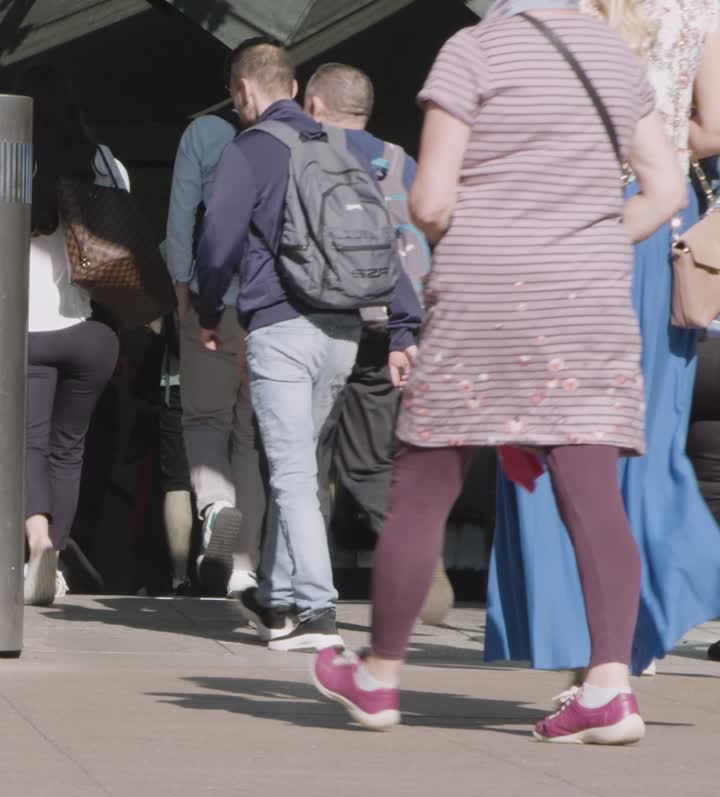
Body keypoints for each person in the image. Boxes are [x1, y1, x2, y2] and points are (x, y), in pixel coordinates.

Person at [313, 0, 685, 742]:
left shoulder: (474, 51)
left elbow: (430, 199)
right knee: (593, 489)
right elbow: (667, 191)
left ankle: (380, 676)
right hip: (588, 303)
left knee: (425, 482)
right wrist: (596, 242)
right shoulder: (618, 61)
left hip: (488, 292)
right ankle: (611, 687)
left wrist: (487, 228)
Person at [487, 0, 720, 679]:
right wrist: (666, 134)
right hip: (662, 220)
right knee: (642, 439)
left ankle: (591, 648)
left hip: (568, 211)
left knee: (553, 434)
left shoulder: (536, 10)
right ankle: (630, 634)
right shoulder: (700, 7)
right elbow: (715, 125)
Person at [196, 38, 421, 652]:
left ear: (245, 93)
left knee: (293, 470)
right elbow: (384, 241)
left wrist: (207, 311)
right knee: (293, 466)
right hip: (344, 332)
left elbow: (218, 242)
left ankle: (319, 613)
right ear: (293, 89)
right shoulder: (339, 148)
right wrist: (403, 326)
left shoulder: (252, 149)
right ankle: (277, 600)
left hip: (282, 328)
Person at [305, 63, 453, 626]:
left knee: (308, 462)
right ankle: (419, 558)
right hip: (396, 329)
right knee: (370, 464)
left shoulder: (310, 154)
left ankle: (304, 586)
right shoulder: (401, 160)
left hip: (327, 322)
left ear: (316, 106)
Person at [19, 63, 124, 607]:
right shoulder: (105, 164)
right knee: (68, 451)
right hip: (89, 333)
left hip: (24, 333)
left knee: (25, 445)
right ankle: (55, 560)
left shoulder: (10, 160)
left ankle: (37, 544)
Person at [166, 110, 266, 598]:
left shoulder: (203, 132)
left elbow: (183, 210)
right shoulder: (289, 136)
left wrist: (182, 285)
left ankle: (217, 506)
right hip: (269, 308)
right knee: (248, 436)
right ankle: (245, 567)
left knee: (205, 421)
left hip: (215, 302)